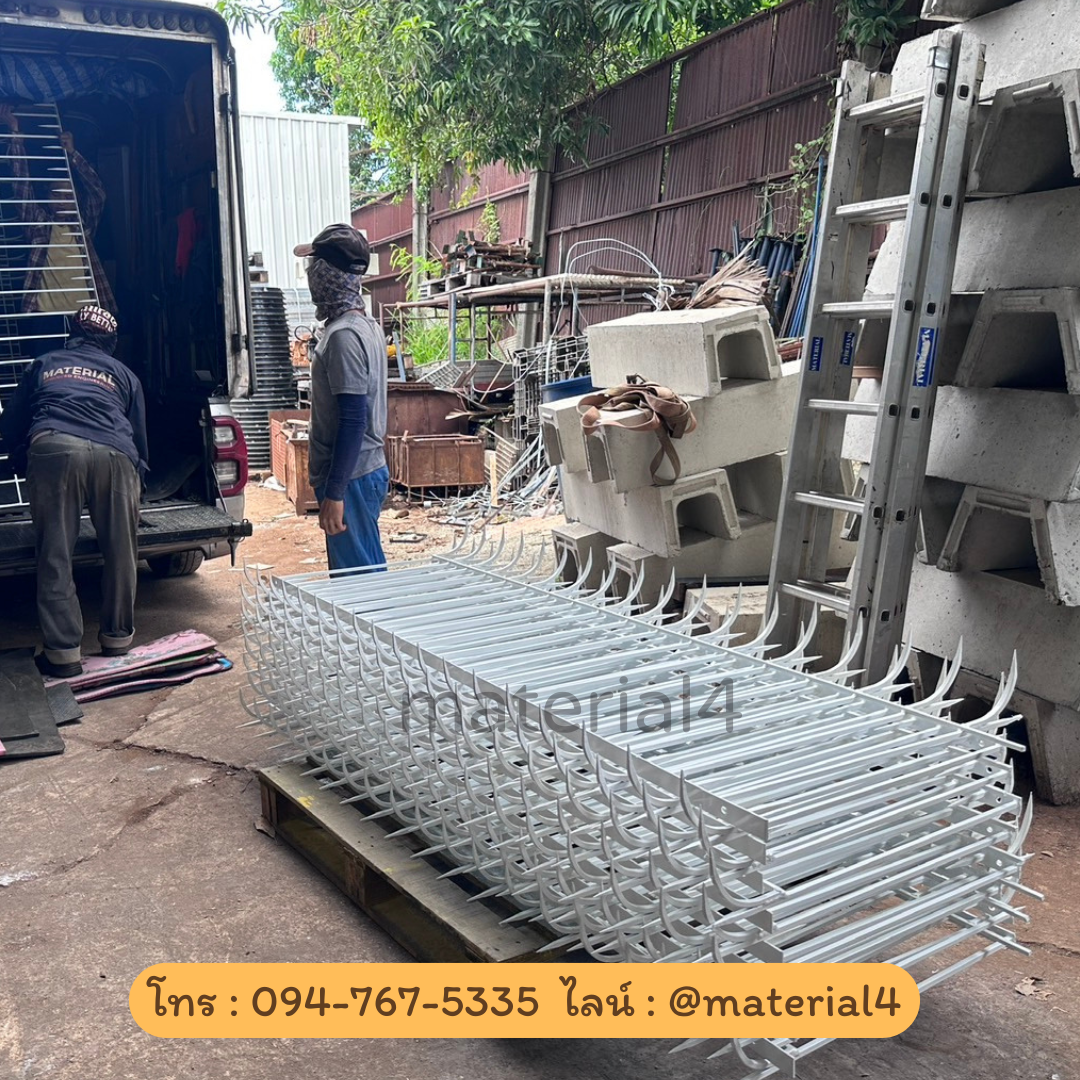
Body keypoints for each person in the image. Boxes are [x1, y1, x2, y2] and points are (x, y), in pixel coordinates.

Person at [0, 305, 148, 677]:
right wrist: (138, 480)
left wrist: (20, 455)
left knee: (56, 553)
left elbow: (11, 422)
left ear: (72, 333)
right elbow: (138, 435)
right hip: (116, 454)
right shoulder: (125, 375)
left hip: (55, 448)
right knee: (121, 551)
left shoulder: (45, 363)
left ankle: (64, 654)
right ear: (111, 342)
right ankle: (117, 639)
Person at [293, 224, 389, 573]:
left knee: (360, 582)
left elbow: (353, 418)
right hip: (362, 471)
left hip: (352, 476)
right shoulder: (366, 326)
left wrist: (335, 492)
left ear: (328, 274)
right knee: (360, 574)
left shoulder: (344, 336)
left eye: (315, 266)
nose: (310, 275)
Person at [0, 102, 117, 315]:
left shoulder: (84, 226)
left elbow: (98, 192)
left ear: (77, 199)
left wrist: (72, 153)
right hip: (46, 315)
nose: (62, 201)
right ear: (47, 197)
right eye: (56, 195)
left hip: (85, 315)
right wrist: (15, 134)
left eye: (68, 196)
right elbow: (22, 187)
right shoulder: (40, 226)